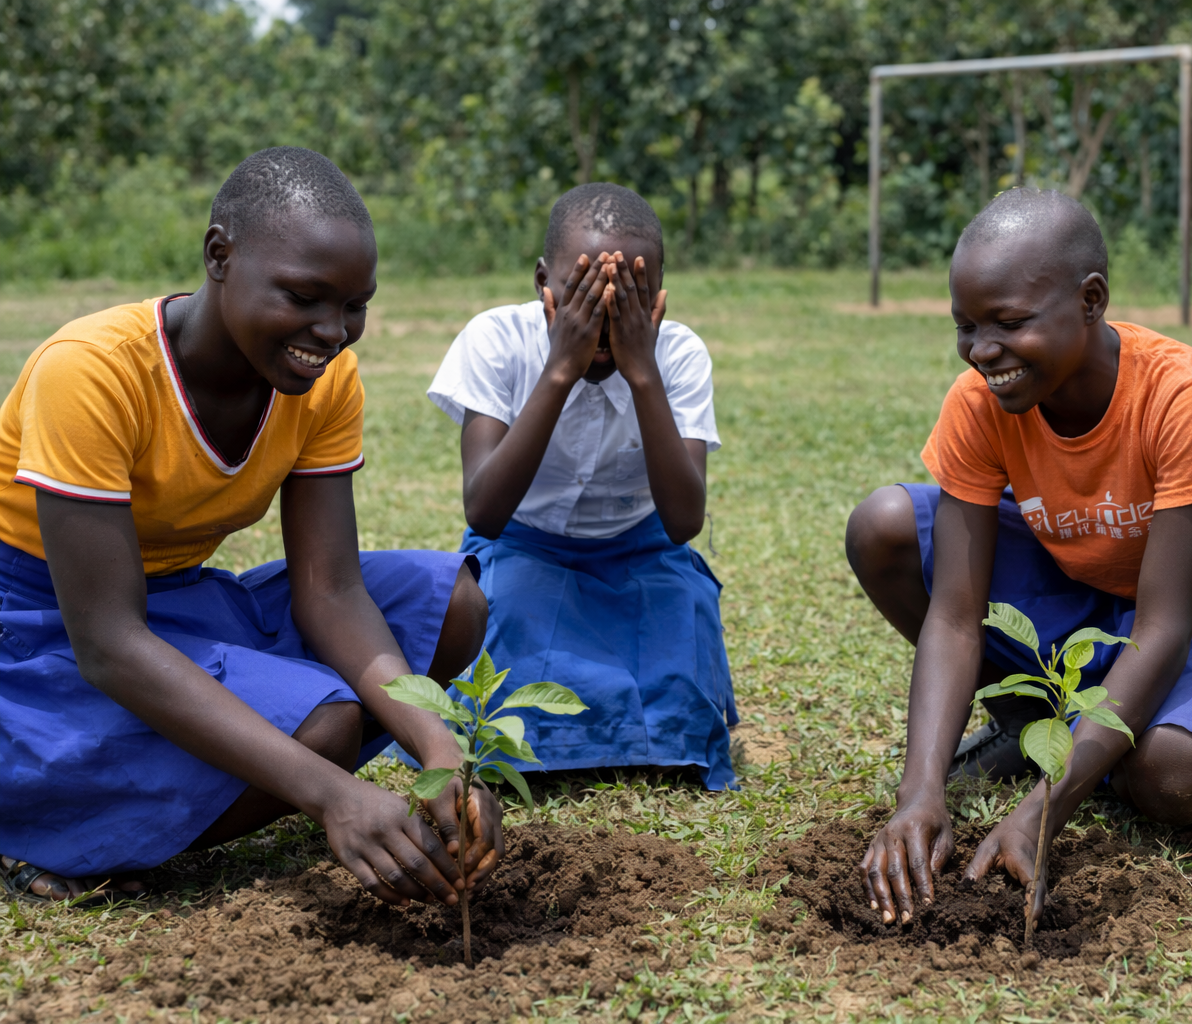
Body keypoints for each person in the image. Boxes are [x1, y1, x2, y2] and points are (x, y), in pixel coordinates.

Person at [0, 147, 501, 904]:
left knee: (449, 606)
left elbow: (330, 591)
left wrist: (440, 751)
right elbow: (106, 642)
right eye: (304, 296)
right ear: (219, 255)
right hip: (43, 627)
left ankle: (222, 773)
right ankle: (48, 830)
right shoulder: (92, 370)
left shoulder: (322, 384)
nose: (332, 331)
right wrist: (332, 794)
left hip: (180, 601)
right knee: (323, 728)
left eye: (354, 304)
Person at [845, 188, 1192, 925]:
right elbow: (953, 615)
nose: (982, 351)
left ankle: (1096, 745)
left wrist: (1044, 809)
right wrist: (921, 794)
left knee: (1169, 777)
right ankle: (1035, 726)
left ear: (1091, 300)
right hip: (1085, 594)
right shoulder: (981, 401)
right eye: (966, 326)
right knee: (884, 524)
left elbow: (1163, 630)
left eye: (1009, 323)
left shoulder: (1185, 398)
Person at [426, 183, 736, 790]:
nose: (602, 323)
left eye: (626, 302)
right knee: (503, 618)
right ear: (543, 280)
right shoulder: (497, 340)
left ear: (659, 298)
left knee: (686, 617)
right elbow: (485, 512)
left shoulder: (676, 355)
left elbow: (683, 522)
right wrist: (560, 367)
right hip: (523, 549)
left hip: (643, 551)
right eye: (583, 297)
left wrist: (642, 370)